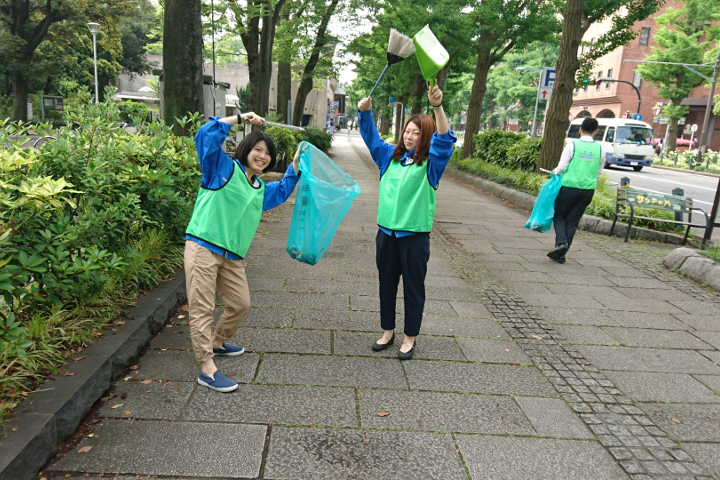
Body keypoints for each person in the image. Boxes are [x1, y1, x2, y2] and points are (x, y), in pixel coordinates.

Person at [185, 113, 302, 392]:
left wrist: (297, 161)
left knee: (241, 304)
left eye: (267, 153)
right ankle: (207, 368)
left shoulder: (260, 189)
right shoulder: (222, 169)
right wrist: (238, 118)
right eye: (257, 150)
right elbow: (205, 136)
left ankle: (217, 341)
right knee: (202, 309)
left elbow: (284, 189)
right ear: (246, 149)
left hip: (232, 256)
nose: (262, 156)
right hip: (203, 246)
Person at [357, 82, 456, 360]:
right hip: (386, 235)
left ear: (425, 136)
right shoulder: (390, 156)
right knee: (386, 284)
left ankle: (409, 337)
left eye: (416, 132)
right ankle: (387, 331)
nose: (409, 136)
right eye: (407, 131)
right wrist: (364, 113)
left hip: (414, 238)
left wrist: (437, 107)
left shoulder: (432, 164)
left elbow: (444, 140)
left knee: (414, 288)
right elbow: (371, 139)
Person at [548, 117, 606, 264]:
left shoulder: (572, 145)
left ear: (580, 129)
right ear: (595, 132)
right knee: (572, 221)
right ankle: (561, 254)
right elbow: (599, 172)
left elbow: (562, 167)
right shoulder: (600, 149)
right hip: (587, 191)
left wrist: (554, 171)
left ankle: (561, 244)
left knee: (559, 215)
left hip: (569, 188)